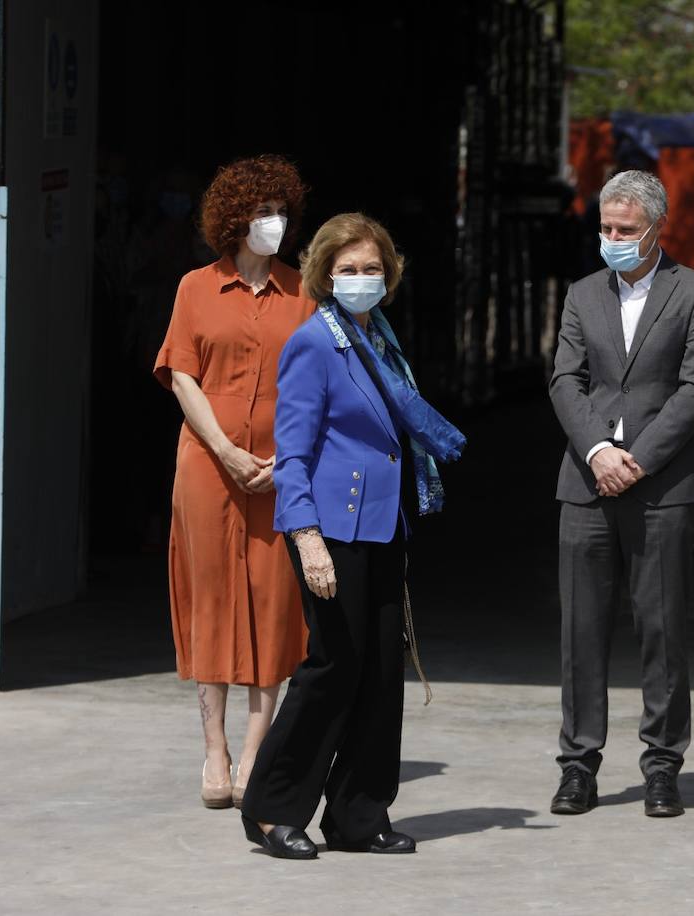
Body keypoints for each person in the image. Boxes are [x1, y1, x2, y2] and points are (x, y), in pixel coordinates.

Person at [240, 213, 465, 859]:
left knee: (379, 673)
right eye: (348, 270)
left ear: (388, 275)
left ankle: (358, 816)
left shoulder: (382, 343)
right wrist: (306, 538)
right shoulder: (316, 343)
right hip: (330, 528)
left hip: (381, 524)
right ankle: (271, 810)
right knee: (332, 668)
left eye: (371, 269)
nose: (361, 280)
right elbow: (294, 451)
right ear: (325, 276)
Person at [547, 169, 694, 818]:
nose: (613, 239)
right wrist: (598, 451)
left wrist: (638, 460)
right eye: (605, 228)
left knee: (662, 629)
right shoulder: (582, 295)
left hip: (663, 489)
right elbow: (565, 379)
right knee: (581, 633)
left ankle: (662, 765)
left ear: (657, 228)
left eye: (626, 230)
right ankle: (578, 765)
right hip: (586, 485)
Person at [153, 154, 312, 810]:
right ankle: (214, 747)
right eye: (262, 213)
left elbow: (317, 385)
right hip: (207, 467)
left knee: (275, 604)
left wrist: (287, 458)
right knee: (212, 600)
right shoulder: (195, 287)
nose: (273, 223)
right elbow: (182, 373)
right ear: (233, 219)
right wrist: (223, 447)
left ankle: (255, 751)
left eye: (281, 212)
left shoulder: (304, 291)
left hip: (280, 470)